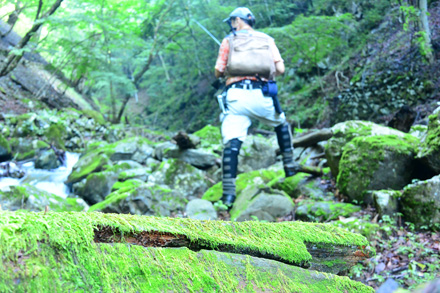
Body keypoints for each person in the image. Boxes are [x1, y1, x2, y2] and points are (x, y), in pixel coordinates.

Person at [215, 7, 299, 208]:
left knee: (232, 142)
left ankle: (228, 196)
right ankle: (290, 166)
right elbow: (280, 69)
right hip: (262, 94)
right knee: (281, 123)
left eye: (233, 21)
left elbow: (218, 71)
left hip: (236, 97)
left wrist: (229, 72)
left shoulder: (228, 41)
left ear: (237, 21)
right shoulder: (267, 40)